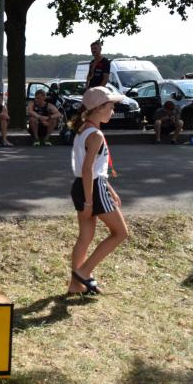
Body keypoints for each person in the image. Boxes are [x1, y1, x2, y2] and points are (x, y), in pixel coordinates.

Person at [68, 86, 129, 294]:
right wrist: (89, 201)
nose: (113, 111)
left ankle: (75, 285)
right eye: (110, 107)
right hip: (91, 188)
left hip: (82, 186)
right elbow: (88, 170)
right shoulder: (96, 135)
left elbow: (92, 169)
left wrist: (109, 189)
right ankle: (84, 272)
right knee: (120, 233)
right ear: (98, 108)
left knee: (85, 237)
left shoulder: (83, 129)